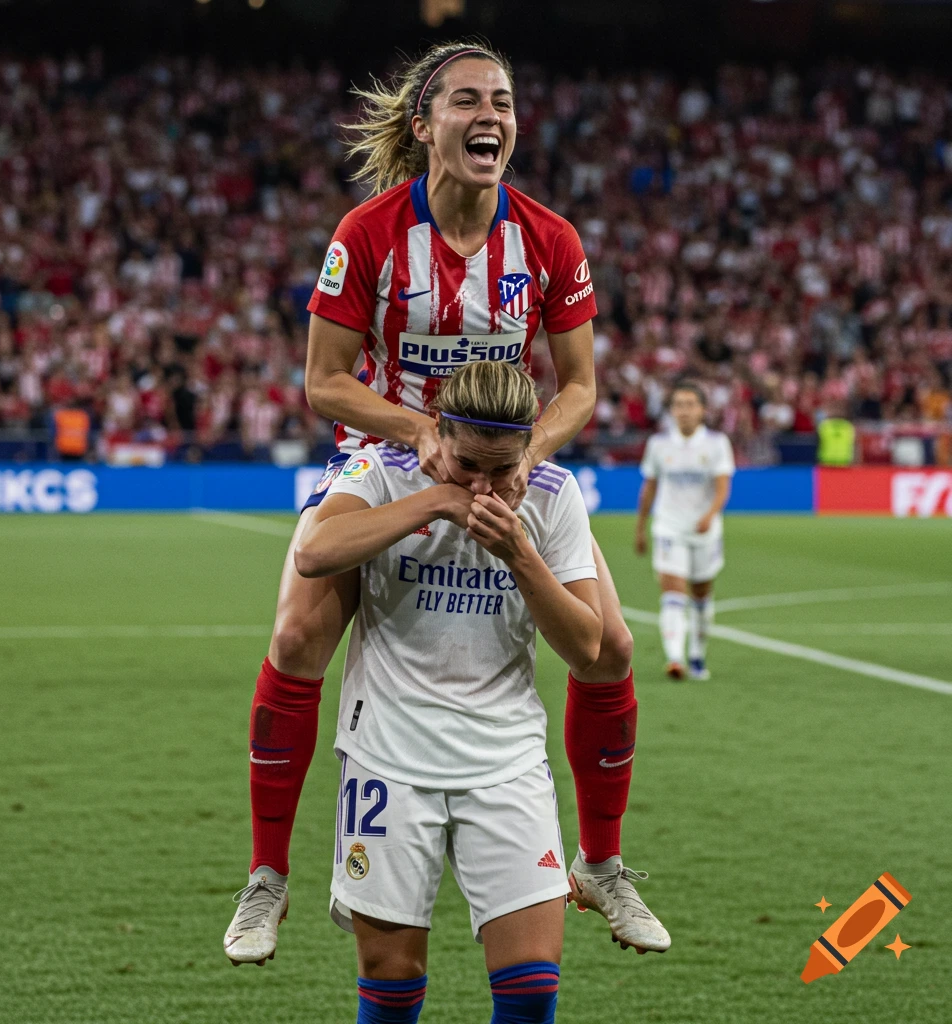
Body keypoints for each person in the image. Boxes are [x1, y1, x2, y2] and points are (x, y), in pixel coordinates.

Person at [224, 40, 668, 966]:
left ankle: (603, 862)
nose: (491, 117)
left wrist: (523, 457)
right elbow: (324, 383)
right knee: (298, 631)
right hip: (382, 453)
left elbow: (579, 387)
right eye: (468, 101)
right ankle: (267, 878)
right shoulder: (369, 232)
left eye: (502, 101)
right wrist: (418, 435)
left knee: (615, 647)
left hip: (509, 453)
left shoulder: (550, 239)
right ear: (426, 126)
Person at [294, 361, 601, 1024]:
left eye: (502, 468)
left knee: (530, 991)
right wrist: (436, 501)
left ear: (528, 449)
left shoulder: (553, 494)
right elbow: (314, 552)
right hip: (388, 759)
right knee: (393, 985)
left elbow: (587, 646)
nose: (484, 487)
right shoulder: (380, 470)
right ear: (440, 433)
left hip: (507, 761)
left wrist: (521, 555)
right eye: (467, 465)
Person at [635, 382, 734, 680]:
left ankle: (697, 655)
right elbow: (649, 487)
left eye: (691, 404)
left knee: (702, 594)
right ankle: (675, 658)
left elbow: (722, 486)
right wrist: (640, 527)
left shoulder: (717, 443)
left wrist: (710, 515)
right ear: (672, 411)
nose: (685, 411)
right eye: (679, 404)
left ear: (703, 409)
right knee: (673, 592)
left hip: (704, 531)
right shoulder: (659, 444)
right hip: (669, 527)